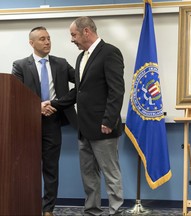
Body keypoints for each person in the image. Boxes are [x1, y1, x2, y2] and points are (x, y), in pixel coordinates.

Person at [50, 16, 125, 216]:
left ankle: (115, 211)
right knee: (88, 174)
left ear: (86, 31)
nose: (72, 39)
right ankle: (92, 211)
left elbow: (116, 91)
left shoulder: (110, 52)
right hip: (84, 128)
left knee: (111, 173)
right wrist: (54, 104)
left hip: (103, 127)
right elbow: (79, 91)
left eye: (73, 35)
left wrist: (109, 121)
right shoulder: (81, 57)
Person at [12, 26, 77, 216]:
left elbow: (82, 82)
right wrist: (37, 106)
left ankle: (48, 209)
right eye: (42, 39)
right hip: (28, 124)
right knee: (28, 168)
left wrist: (58, 104)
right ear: (31, 43)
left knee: (50, 168)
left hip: (53, 122)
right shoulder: (20, 65)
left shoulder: (61, 64)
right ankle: (29, 205)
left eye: (48, 38)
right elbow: (16, 95)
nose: (47, 42)